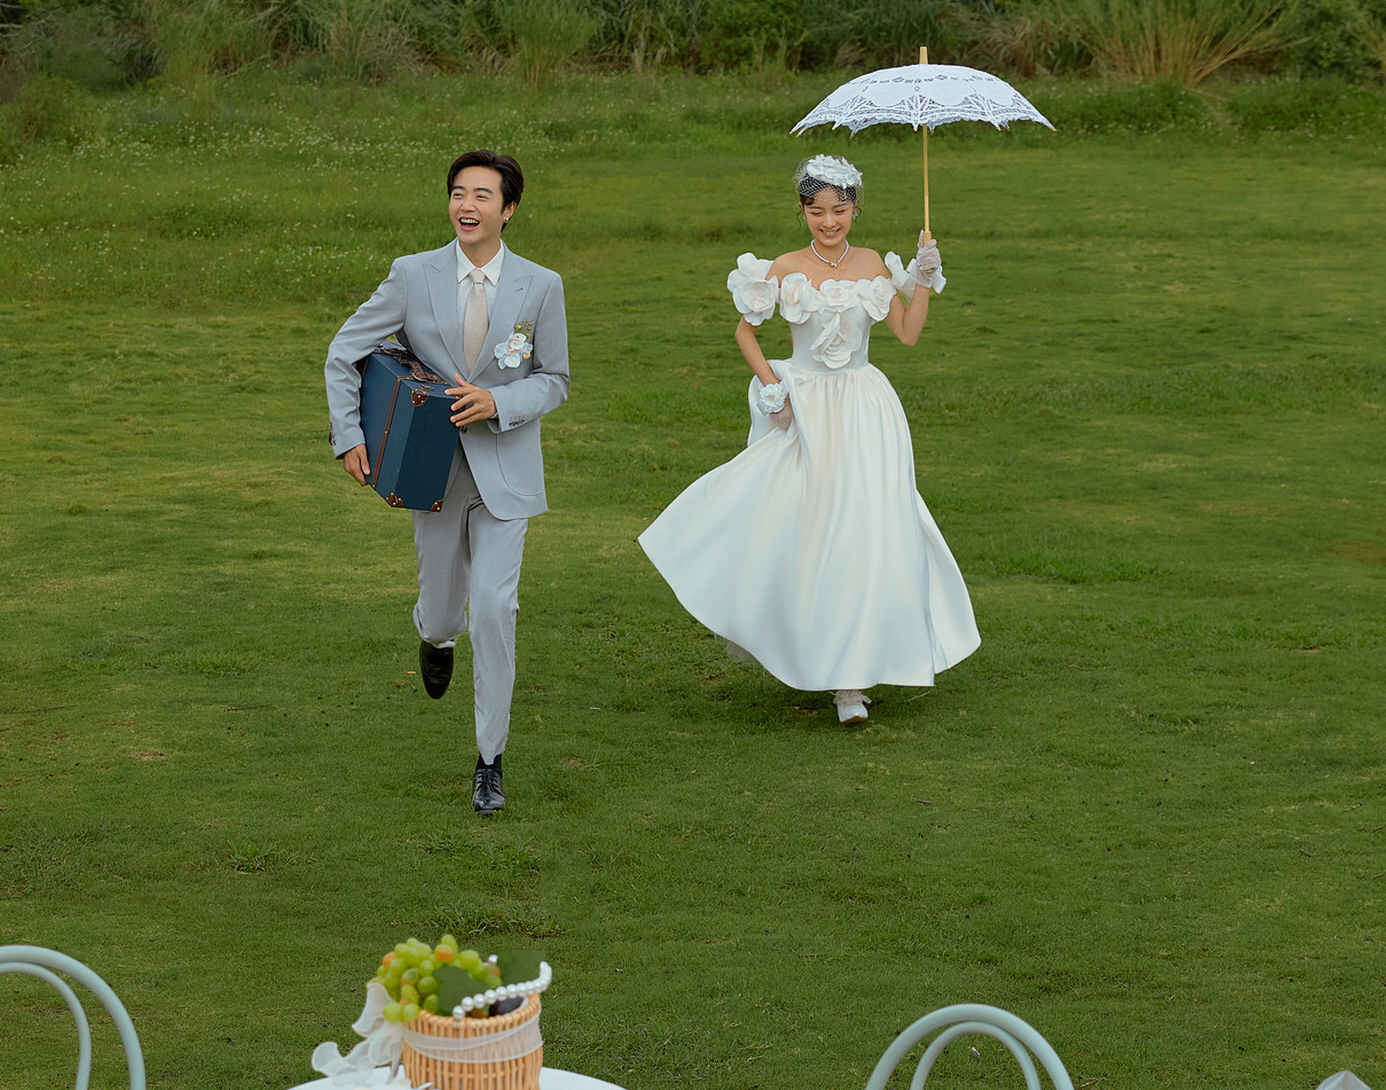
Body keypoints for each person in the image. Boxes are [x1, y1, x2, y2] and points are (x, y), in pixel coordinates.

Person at [638, 153, 978, 723]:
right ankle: (811, 647)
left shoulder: (872, 262)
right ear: (802, 211)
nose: (828, 221)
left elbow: (907, 334)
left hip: (866, 409)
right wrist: (775, 388)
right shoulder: (784, 266)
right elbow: (745, 333)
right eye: (816, 210)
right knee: (813, 528)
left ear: (855, 209)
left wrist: (921, 279)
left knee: (869, 530)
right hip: (809, 406)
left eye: (839, 210)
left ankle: (852, 681)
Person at [325, 151, 569, 815]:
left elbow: (555, 380)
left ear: (508, 209)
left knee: (494, 607)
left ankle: (490, 760)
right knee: (444, 611)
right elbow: (345, 351)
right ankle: (434, 637)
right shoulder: (412, 275)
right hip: (428, 470)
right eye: (459, 193)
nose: (468, 205)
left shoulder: (542, 285)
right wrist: (348, 435)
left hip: (507, 475)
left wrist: (500, 402)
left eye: (483, 195)